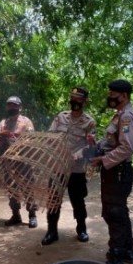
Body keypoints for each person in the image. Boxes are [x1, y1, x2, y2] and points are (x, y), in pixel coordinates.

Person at [90, 80, 133, 264]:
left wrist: (103, 159)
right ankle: (127, 251)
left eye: (113, 94)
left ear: (124, 96)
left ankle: (116, 258)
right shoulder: (119, 116)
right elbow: (110, 141)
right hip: (114, 171)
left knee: (114, 213)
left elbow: (127, 147)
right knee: (119, 211)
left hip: (118, 172)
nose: (110, 97)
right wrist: (96, 145)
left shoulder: (127, 116)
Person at [41, 87, 96, 245]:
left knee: (77, 200)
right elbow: (51, 135)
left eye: (78, 99)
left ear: (84, 102)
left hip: (76, 169)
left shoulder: (89, 122)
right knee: (53, 199)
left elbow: (90, 145)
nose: (74, 101)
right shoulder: (61, 117)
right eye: (72, 98)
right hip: (57, 166)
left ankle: (82, 229)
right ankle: (52, 231)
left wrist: (77, 155)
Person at [0, 96, 38, 228]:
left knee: (28, 187)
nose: (12, 107)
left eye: (14, 105)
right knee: (11, 189)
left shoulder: (26, 122)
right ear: (7, 107)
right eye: (10, 105)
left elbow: (31, 140)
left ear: (19, 107)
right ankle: (16, 215)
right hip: (8, 162)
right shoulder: (3, 123)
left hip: (23, 161)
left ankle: (32, 215)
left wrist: (14, 138)